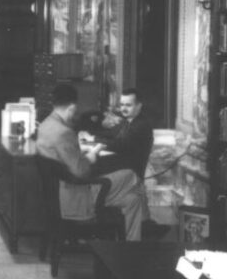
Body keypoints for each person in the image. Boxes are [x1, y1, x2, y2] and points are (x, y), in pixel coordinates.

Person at [35, 83, 145, 241]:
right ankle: (141, 228)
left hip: (58, 195)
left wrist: (82, 152)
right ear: (71, 108)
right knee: (132, 176)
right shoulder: (63, 132)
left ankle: (132, 247)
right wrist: (91, 155)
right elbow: (81, 172)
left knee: (133, 200)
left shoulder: (46, 125)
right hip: (75, 197)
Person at [95, 88, 154, 182]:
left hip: (131, 174)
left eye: (128, 105)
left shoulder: (141, 125)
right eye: (121, 105)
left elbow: (120, 144)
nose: (123, 109)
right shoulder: (129, 120)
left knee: (92, 167)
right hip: (124, 166)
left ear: (139, 106)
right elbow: (112, 134)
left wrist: (95, 140)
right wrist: (93, 136)